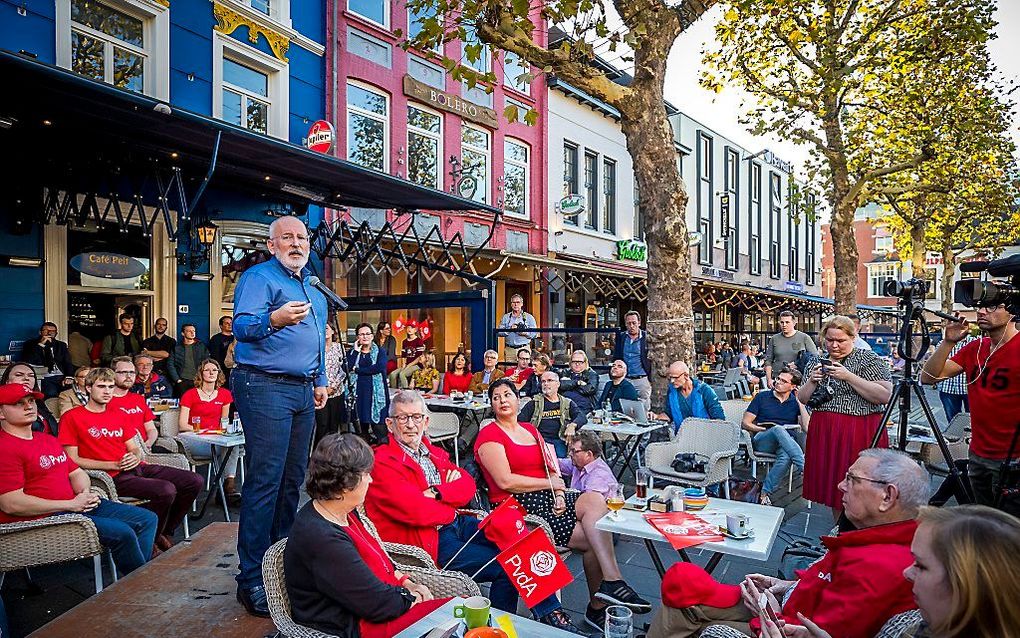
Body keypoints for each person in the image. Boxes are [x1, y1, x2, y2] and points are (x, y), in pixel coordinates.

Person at [648, 448, 928, 638]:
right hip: (786, 605)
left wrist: (767, 608)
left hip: (779, 623)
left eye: (852, 479)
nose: (841, 485)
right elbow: (828, 582)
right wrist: (788, 586)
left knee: (684, 611)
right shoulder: (882, 540)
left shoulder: (881, 566)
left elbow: (814, 631)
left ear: (888, 497)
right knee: (682, 594)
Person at [364, 391, 573, 629]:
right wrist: (450, 505)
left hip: (457, 524)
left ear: (426, 421)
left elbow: (466, 484)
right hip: (428, 541)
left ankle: (554, 617)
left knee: (524, 543)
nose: (411, 424)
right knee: (508, 566)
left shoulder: (431, 452)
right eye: (403, 418)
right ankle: (496, 629)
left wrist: (438, 493)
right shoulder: (382, 462)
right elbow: (416, 511)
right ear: (390, 424)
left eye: (416, 417)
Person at [475, 378, 651, 631]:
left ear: (518, 399)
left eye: (507, 394)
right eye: (496, 397)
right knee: (594, 540)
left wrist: (558, 493)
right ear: (492, 404)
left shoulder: (530, 430)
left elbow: (552, 470)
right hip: (520, 506)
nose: (502, 400)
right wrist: (550, 486)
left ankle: (613, 581)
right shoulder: (489, 433)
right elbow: (505, 481)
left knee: (594, 500)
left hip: (549, 496)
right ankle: (597, 607)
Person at [230, 215, 329, 617]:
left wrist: (320, 378)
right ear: (272, 245)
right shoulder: (259, 278)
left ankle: (281, 566)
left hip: (303, 389)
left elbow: (319, 339)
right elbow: (240, 327)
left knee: (292, 482)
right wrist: (273, 319)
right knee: (265, 481)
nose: (296, 243)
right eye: (286, 237)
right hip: (264, 385)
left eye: (301, 237)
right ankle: (251, 578)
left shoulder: (314, 288)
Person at [763, 504, 1020, 638]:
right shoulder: (928, 629)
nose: (907, 573)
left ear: (968, 586)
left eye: (921, 565)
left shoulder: (877, 562)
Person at [285, 434, 447, 638]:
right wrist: (410, 597)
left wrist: (407, 581)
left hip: (377, 606)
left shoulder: (344, 510)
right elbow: (376, 605)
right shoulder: (321, 537)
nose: (371, 479)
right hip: (355, 625)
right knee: (460, 615)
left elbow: (379, 560)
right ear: (345, 484)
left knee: (464, 611)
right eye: (366, 474)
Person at [0, 383, 159, 572]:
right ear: (1, 413)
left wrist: (84, 494)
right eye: (18, 403)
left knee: (148, 519)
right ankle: (139, 585)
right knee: (123, 532)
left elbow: (76, 472)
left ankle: (136, 577)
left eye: (31, 401)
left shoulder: (47, 439)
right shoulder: (5, 448)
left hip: (75, 505)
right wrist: (70, 505)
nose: (29, 406)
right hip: (44, 517)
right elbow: (11, 503)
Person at [59, 368, 203, 552]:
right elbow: (73, 459)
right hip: (108, 476)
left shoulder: (118, 413)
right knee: (166, 490)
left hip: (136, 467)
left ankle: (162, 532)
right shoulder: (72, 417)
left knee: (194, 480)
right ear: (88, 388)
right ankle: (149, 540)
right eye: (101, 386)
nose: (107, 391)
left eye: (110, 386)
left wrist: (134, 456)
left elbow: (134, 447)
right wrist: (112, 464)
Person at [921, 303, 1020, 515]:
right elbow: (928, 378)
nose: (982, 312)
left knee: (1010, 529)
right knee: (983, 521)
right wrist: (948, 342)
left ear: (1013, 310)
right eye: (981, 307)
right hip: (978, 454)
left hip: (1013, 460)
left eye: (993, 307)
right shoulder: (976, 348)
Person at [798, 315, 892, 516]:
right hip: (825, 430)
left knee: (862, 485)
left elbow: (884, 395)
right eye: (830, 340)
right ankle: (839, 532)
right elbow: (803, 398)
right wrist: (812, 381)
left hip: (859, 428)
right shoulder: (816, 361)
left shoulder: (868, 359)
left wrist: (848, 376)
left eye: (840, 340)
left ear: (852, 337)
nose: (834, 345)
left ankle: (863, 533)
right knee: (835, 489)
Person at [741, 368, 809, 506]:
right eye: (778, 378)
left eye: (783, 381)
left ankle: (764, 492)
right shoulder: (762, 397)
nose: (777, 382)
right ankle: (805, 468)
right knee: (778, 429)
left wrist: (800, 401)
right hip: (763, 440)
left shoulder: (795, 402)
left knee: (786, 456)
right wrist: (764, 428)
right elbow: (745, 423)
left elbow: (807, 427)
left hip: (786, 445)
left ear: (793, 386)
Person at [179, 359, 240, 499]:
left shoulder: (225, 394)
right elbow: (182, 425)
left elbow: (223, 422)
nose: (212, 372)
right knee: (229, 447)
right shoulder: (190, 394)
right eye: (207, 370)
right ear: (201, 373)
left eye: (215, 370)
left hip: (215, 438)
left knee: (233, 444)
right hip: (193, 439)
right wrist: (205, 431)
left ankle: (228, 486)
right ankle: (225, 491)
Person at [519, 371, 587, 457]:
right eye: (543, 381)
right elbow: (519, 422)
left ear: (558, 384)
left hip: (559, 440)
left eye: (549, 380)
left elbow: (582, 417)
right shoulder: (534, 403)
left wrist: (572, 425)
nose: (546, 384)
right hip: (538, 441)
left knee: (559, 462)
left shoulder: (566, 403)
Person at [347, 322, 390, 444]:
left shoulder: (380, 352)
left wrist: (358, 370)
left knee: (380, 431)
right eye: (361, 334)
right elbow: (347, 367)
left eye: (367, 334)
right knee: (361, 433)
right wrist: (355, 352)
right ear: (357, 337)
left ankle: (383, 460)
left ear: (372, 336)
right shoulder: (351, 353)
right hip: (358, 395)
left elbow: (378, 368)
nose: (365, 337)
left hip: (376, 396)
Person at [655, 361, 724, 434]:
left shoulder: (704, 390)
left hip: (704, 435)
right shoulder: (672, 391)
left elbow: (719, 419)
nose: (672, 381)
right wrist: (656, 416)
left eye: (675, 378)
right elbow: (669, 414)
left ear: (686, 376)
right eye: (670, 378)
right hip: (681, 437)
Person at [109, 356, 158, 449]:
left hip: (146, 447)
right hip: (123, 453)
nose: (128, 376)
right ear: (112, 374)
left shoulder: (138, 399)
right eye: (123, 372)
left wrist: (148, 444)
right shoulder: (104, 401)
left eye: (132, 372)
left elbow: (151, 429)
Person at [1, 362, 59, 435]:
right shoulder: (3, 404)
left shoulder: (39, 402)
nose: (26, 378)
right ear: (7, 381)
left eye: (31, 376)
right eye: (19, 375)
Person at [557, 431, 618, 499]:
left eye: (574, 451)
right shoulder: (579, 464)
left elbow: (588, 503)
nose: (570, 454)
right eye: (570, 450)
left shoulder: (598, 476)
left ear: (588, 454)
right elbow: (556, 463)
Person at [763, 311, 818, 386]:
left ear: (794, 323)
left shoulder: (804, 338)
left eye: (787, 322)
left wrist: (798, 364)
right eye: (782, 322)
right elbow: (768, 361)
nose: (784, 325)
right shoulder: (774, 339)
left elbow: (815, 358)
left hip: (797, 381)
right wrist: (769, 379)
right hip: (778, 379)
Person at [314, 322, 346, 448]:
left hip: (336, 392)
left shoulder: (339, 348)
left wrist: (333, 386)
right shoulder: (316, 348)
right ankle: (319, 453)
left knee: (334, 425)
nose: (325, 331)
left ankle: (332, 454)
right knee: (322, 425)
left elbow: (343, 370)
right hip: (320, 394)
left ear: (333, 331)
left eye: (327, 328)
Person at [613, 311, 652, 410]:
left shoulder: (646, 337)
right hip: (625, 379)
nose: (631, 326)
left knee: (644, 408)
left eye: (634, 323)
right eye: (629, 323)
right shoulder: (621, 337)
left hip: (641, 379)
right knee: (625, 407)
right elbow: (617, 356)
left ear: (639, 323)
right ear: (625, 324)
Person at [21, 322, 74, 396]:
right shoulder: (30, 344)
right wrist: (41, 344)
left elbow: (67, 362)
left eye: (53, 331)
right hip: (43, 376)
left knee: (70, 391)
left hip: (60, 375)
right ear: (40, 332)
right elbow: (29, 360)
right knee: (51, 393)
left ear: (56, 333)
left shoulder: (61, 345)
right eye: (46, 330)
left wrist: (69, 376)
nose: (49, 333)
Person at [932, 337, 973, 422]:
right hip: (948, 387)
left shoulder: (973, 342)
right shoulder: (943, 344)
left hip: (969, 388)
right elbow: (938, 364)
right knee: (953, 421)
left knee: (973, 420)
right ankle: (956, 435)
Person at [168, 324, 210, 397]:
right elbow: (170, 364)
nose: (192, 333)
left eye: (193, 331)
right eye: (189, 331)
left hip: (198, 380)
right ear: (183, 333)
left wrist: (203, 378)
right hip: (182, 381)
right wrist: (177, 380)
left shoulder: (201, 346)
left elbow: (207, 362)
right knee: (184, 404)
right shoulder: (177, 348)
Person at [497, 293, 538, 361]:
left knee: (525, 370)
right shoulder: (506, 317)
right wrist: (509, 329)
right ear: (511, 304)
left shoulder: (529, 317)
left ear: (522, 304)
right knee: (510, 370)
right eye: (514, 302)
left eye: (518, 302)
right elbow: (499, 332)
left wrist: (525, 333)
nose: (516, 304)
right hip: (510, 350)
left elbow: (535, 334)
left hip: (524, 349)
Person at [559, 350, 599, 417]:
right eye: (574, 361)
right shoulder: (565, 372)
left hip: (583, 407)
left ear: (585, 363)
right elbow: (559, 385)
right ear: (570, 363)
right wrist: (578, 382)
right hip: (564, 406)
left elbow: (589, 390)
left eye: (580, 362)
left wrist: (569, 384)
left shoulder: (591, 374)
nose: (577, 364)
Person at [387, 323, 426, 390]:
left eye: (411, 328)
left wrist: (409, 365)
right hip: (407, 365)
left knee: (402, 374)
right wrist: (404, 365)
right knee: (392, 374)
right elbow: (404, 356)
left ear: (415, 330)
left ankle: (407, 392)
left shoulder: (419, 341)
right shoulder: (404, 341)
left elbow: (419, 357)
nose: (409, 329)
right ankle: (394, 391)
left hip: (417, 365)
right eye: (408, 328)